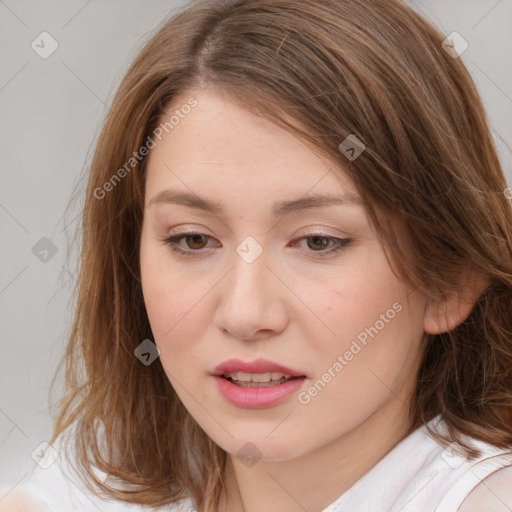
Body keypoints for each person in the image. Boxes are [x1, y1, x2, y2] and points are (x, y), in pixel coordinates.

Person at [2, 0, 512, 510]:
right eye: (193, 239)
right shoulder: (84, 486)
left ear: (451, 279)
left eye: (318, 241)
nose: (245, 314)